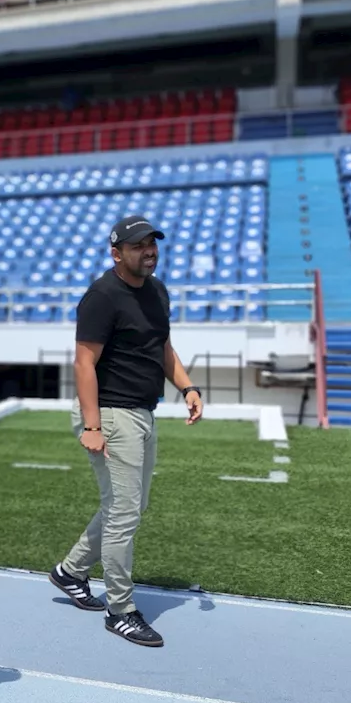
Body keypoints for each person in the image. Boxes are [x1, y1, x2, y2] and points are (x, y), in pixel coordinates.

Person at [50, 215, 203, 649]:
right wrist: (92, 425)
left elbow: (162, 347)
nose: (149, 250)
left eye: (152, 242)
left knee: (128, 509)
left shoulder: (156, 290)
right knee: (122, 515)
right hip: (111, 415)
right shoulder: (102, 296)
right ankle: (120, 610)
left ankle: (71, 571)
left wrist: (187, 386)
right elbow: (84, 363)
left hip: (142, 413)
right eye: (138, 245)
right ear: (117, 253)